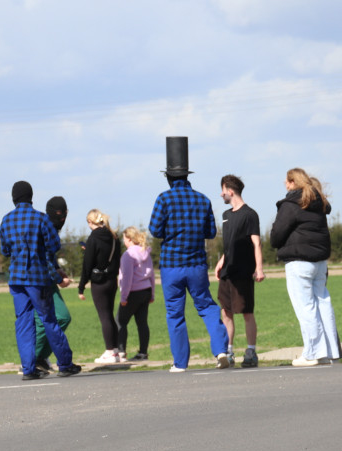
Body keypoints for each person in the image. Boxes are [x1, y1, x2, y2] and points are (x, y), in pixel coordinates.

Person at [148, 136, 230, 372]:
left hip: (171, 266)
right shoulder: (203, 200)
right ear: (187, 176)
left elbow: (155, 230)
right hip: (196, 265)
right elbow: (211, 232)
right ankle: (221, 350)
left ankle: (180, 363)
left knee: (175, 314)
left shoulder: (163, 199)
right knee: (207, 307)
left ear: (168, 177)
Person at [0, 180, 81, 380]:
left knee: (24, 323)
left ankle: (29, 369)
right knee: (49, 320)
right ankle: (65, 364)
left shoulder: (6, 220)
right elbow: (54, 245)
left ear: (14, 198)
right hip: (37, 278)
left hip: (16, 280)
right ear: (31, 196)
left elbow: (5, 250)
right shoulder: (41, 219)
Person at [269, 168, 341, 367]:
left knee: (305, 307)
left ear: (293, 182)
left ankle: (312, 352)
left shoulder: (291, 204)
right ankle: (329, 351)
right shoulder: (318, 203)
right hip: (320, 262)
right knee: (323, 304)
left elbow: (276, 236)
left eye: (286, 181)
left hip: (298, 262)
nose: (285, 184)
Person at [214, 174, 266, 368]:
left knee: (246, 312)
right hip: (227, 272)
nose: (221, 194)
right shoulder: (226, 216)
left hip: (243, 273)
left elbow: (256, 243)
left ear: (230, 191)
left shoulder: (250, 214)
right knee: (226, 312)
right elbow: (229, 245)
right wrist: (221, 261)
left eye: (222, 190)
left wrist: (259, 269)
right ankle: (228, 352)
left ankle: (251, 351)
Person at [32, 196, 73, 372]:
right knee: (60, 317)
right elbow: (43, 257)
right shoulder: (45, 226)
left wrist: (57, 269)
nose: (62, 218)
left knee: (46, 321)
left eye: (65, 214)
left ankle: (37, 359)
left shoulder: (51, 227)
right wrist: (58, 279)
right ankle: (33, 358)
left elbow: (50, 257)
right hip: (40, 279)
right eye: (58, 214)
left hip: (44, 277)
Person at [78, 209, 122, 365]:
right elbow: (117, 260)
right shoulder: (114, 237)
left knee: (104, 316)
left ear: (91, 222)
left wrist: (81, 286)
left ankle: (109, 351)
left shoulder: (93, 239)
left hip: (99, 282)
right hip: (112, 280)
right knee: (109, 315)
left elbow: (87, 264)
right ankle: (116, 350)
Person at [116, 226, 155, 362]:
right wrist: (152, 294)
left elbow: (127, 277)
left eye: (124, 239)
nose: (123, 241)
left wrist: (123, 297)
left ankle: (121, 352)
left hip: (133, 292)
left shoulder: (128, 255)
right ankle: (143, 353)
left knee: (121, 321)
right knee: (142, 323)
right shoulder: (145, 252)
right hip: (146, 291)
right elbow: (152, 275)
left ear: (129, 239)